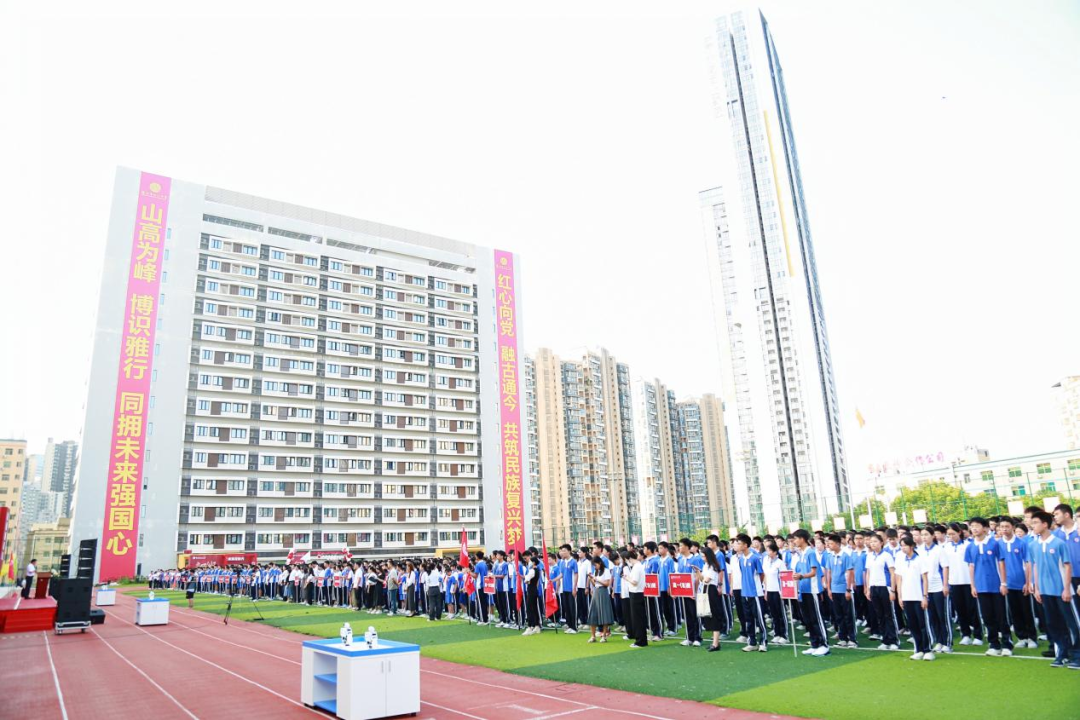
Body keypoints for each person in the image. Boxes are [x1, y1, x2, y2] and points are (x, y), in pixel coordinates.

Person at [1029, 510, 1080, 668]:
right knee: (1053, 623)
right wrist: (1037, 588)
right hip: (1045, 591)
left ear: (1045, 524)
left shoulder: (1059, 543)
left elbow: (1067, 566)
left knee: (1071, 623)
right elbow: (1035, 566)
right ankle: (1062, 654)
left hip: (1062, 590)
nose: (1032, 526)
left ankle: (1077, 655)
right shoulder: (1033, 545)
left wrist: (1066, 589)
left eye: (1035, 523)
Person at [965, 517, 1012, 656]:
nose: (974, 528)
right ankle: (994, 644)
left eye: (977, 526)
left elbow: (1001, 563)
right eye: (972, 526)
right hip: (981, 587)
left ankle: (1007, 644)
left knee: (1001, 616)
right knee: (987, 617)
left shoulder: (994, 544)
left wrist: (1003, 583)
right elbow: (971, 566)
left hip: (996, 586)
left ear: (985, 528)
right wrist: (973, 585)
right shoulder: (970, 546)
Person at [997, 517, 1037, 649]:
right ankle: (1021, 637)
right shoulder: (998, 544)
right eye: (1002, 527)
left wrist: (1028, 582)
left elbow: (1028, 563)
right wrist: (1003, 583)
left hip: (1022, 583)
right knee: (1014, 612)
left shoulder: (1022, 543)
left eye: (1007, 526)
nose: (1004, 529)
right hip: (1008, 584)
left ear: (1013, 527)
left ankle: (1032, 637)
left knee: (1027, 611)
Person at [895, 536, 934, 661]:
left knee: (923, 624)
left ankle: (928, 650)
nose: (903, 548)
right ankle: (918, 649)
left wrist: (925, 596)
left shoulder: (920, 560)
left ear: (911, 546)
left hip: (919, 597)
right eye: (901, 546)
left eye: (905, 545)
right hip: (907, 597)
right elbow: (899, 580)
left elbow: (925, 579)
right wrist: (900, 597)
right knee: (912, 625)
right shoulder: (901, 561)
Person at [791, 530, 830, 656]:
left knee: (816, 618)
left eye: (796, 539)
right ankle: (815, 644)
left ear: (802, 539)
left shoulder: (811, 553)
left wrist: (801, 576)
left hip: (812, 590)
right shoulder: (800, 554)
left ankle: (824, 645)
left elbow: (814, 572)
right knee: (808, 619)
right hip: (803, 590)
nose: (794, 541)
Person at [865, 533, 898, 651]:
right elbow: (868, 573)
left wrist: (892, 590)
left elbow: (892, 573)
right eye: (871, 542)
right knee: (879, 615)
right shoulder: (869, 556)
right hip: (874, 587)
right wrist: (868, 588)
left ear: (881, 543)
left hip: (885, 587)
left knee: (889, 614)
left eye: (875, 541)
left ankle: (893, 640)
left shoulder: (887, 555)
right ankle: (885, 639)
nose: (873, 544)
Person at [826, 534, 857, 648]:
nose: (829, 545)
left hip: (844, 589)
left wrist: (848, 589)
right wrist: (829, 588)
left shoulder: (845, 556)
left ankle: (852, 639)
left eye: (831, 543)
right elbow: (829, 572)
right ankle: (843, 638)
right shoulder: (830, 556)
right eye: (829, 543)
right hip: (834, 590)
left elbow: (850, 572)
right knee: (838, 615)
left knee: (848, 615)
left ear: (838, 544)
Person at [693, 546, 726, 652]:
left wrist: (700, 574)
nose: (702, 558)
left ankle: (715, 644)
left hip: (711, 591)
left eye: (704, 556)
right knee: (709, 616)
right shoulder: (706, 565)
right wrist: (698, 572)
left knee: (714, 616)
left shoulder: (712, 566)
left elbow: (706, 580)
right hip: (706, 590)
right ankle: (715, 643)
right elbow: (702, 579)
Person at [762, 541, 789, 644]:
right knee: (774, 613)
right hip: (769, 590)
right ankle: (777, 633)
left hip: (778, 591)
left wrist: (783, 592)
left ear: (775, 552)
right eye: (767, 550)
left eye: (769, 550)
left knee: (781, 613)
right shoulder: (766, 561)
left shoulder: (780, 563)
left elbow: (784, 577)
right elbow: (765, 576)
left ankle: (784, 635)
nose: (767, 552)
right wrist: (765, 591)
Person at [586, 556, 614, 643]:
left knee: (604, 614)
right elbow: (595, 584)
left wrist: (596, 579)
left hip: (603, 592)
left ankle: (604, 636)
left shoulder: (606, 571)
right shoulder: (596, 571)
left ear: (600, 563)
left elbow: (607, 584)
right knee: (593, 613)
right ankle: (593, 636)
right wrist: (591, 579)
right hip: (596, 591)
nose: (595, 566)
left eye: (595, 565)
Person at [624, 550, 648, 648]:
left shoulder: (637, 567)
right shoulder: (638, 566)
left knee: (638, 619)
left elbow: (634, 582)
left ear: (629, 558)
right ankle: (641, 640)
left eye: (626, 560)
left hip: (636, 593)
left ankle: (640, 641)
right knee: (638, 618)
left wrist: (627, 578)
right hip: (636, 593)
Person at [522, 554, 542, 635]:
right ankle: (536, 625)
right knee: (534, 608)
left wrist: (526, 579)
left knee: (529, 608)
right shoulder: (537, 570)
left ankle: (530, 626)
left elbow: (526, 580)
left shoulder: (532, 570)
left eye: (530, 561)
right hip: (534, 589)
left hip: (531, 590)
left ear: (533, 562)